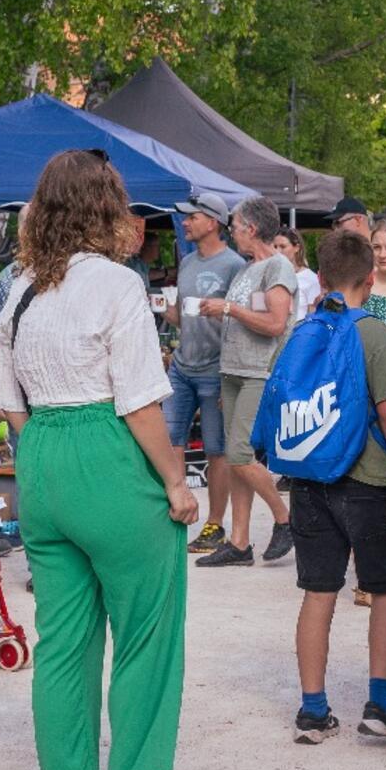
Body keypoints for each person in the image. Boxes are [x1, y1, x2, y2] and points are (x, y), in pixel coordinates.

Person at [0, 150, 202, 770]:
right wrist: (175, 480)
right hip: (105, 449)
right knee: (145, 631)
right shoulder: (116, 284)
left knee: (63, 642)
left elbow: (8, 403)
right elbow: (140, 401)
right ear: (106, 207)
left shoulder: (20, 286)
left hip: (40, 456)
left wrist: (42, 455)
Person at [289, 232, 386, 747]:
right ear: (371, 278)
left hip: (308, 478)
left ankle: (313, 709)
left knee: (318, 590)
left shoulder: (305, 328)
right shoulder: (376, 333)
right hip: (366, 479)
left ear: (320, 280)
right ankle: (381, 703)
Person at [194, 196, 297, 568]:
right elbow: (248, 317)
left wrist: (228, 308)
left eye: (235, 225)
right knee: (240, 458)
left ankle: (285, 517)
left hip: (260, 373)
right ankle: (239, 543)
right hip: (234, 372)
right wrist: (220, 313)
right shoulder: (246, 270)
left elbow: (274, 324)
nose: (232, 231)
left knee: (237, 454)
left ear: (251, 229)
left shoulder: (277, 267)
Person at [165, 193, 247, 556]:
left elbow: (242, 318)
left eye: (191, 217)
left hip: (215, 369)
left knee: (216, 450)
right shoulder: (186, 262)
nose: (184, 223)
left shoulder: (234, 265)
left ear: (213, 222)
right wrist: (165, 311)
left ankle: (214, 523)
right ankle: (173, 509)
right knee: (169, 441)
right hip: (182, 366)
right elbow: (183, 315)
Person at [277, 232, 321, 319]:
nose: (277, 251)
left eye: (283, 247)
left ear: (296, 248)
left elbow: (313, 315)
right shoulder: (271, 275)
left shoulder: (310, 279)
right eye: (274, 247)